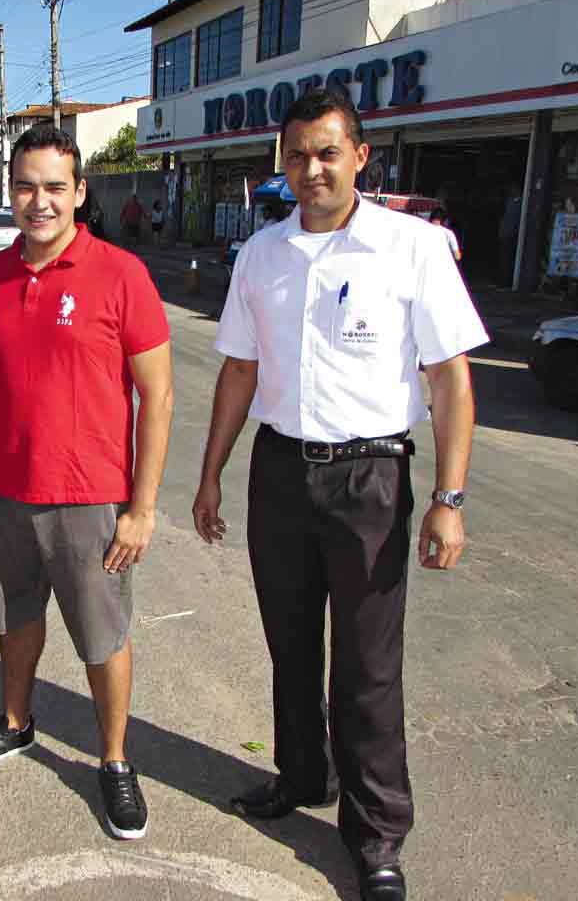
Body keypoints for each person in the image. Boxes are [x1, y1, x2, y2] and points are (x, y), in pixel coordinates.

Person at [190, 89, 488, 901]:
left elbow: (449, 378)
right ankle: (301, 776)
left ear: (360, 156)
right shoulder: (262, 254)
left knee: (366, 669)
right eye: (297, 155)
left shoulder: (412, 247)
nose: (312, 168)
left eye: (327, 152)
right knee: (290, 645)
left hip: (370, 478)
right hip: (280, 472)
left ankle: (377, 836)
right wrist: (211, 473)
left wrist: (450, 497)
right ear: (282, 165)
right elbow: (240, 370)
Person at [0, 125, 174, 841]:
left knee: (101, 636)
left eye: (55, 187)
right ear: (9, 191)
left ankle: (114, 759)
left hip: (89, 496)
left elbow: (158, 395)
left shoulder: (121, 274)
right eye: (26, 186)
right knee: (16, 617)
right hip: (7, 489)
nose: (39, 201)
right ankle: (16, 722)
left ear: (80, 192)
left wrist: (141, 508)